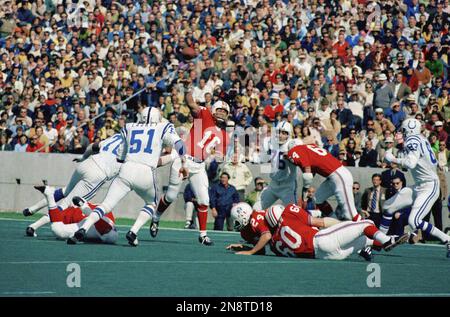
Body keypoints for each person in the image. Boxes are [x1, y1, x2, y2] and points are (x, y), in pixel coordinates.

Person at [67, 112, 188, 246]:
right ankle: (133, 231)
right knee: (151, 204)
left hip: (127, 169)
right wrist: (182, 162)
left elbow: (121, 157)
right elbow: (180, 145)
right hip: (146, 172)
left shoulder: (129, 127)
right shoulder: (163, 127)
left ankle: (84, 227)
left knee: (106, 204)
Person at [152, 92, 230, 246]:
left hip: (199, 165)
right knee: (171, 196)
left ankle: (203, 235)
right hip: (184, 160)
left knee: (204, 200)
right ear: (213, 110)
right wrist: (188, 91)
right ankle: (156, 218)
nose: (222, 113)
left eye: (225, 112)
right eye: (219, 110)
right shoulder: (205, 115)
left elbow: (220, 156)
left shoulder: (224, 135)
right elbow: (190, 103)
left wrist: (217, 159)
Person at [382, 118, 450, 257]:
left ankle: (448, 240)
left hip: (429, 186)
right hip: (420, 185)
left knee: (414, 220)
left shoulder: (412, 140)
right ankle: (380, 240)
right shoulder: (421, 138)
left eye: (403, 130)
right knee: (388, 206)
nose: (402, 133)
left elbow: (411, 163)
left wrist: (393, 159)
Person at [22, 132, 124, 217]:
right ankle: (35, 226)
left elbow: (92, 146)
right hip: (98, 174)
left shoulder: (117, 137)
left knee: (65, 191)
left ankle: (32, 209)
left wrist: (83, 158)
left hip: (87, 163)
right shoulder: (131, 146)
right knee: (68, 204)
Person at [267, 203, 408, 261]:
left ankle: (391, 240)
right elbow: (320, 222)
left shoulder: (274, 243)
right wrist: (342, 226)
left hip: (325, 256)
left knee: (367, 240)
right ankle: (387, 241)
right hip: (321, 241)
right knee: (366, 224)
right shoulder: (288, 212)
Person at [286, 143, 362, 221]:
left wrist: (305, 190)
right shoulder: (310, 146)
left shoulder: (295, 151)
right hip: (334, 176)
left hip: (339, 176)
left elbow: (308, 175)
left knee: (351, 215)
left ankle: (371, 231)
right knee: (318, 199)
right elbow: (312, 171)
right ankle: (335, 221)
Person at [26, 185, 117, 244]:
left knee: (58, 230)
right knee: (111, 236)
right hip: (92, 220)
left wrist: (34, 226)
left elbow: (52, 216)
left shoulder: (68, 211)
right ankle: (86, 210)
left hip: (88, 220)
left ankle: (49, 195)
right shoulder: (71, 210)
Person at [260, 121, 299, 209]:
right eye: (278, 132)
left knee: (293, 214)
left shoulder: (292, 144)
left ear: (289, 135)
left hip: (287, 187)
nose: (280, 135)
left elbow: (299, 152)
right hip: (273, 185)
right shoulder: (269, 142)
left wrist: (291, 153)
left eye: (284, 133)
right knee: (256, 209)